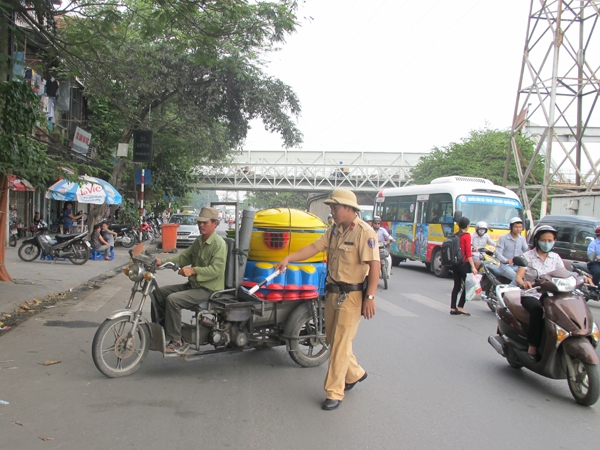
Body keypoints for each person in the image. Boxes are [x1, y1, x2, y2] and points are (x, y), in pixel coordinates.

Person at [275, 189, 379, 411]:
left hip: (352, 296)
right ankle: (355, 373)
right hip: (332, 293)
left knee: (341, 343)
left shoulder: (364, 232)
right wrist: (288, 258)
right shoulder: (334, 230)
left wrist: (370, 297)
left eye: (335, 207)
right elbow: (314, 247)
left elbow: (375, 266)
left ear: (349, 208)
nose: (332, 211)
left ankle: (334, 391)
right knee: (331, 338)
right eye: (331, 207)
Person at [152, 207, 227, 354]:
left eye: (205, 223)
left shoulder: (219, 245)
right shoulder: (199, 241)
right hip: (193, 286)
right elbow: (183, 258)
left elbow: (216, 270)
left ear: (215, 224)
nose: (201, 225)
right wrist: (162, 261)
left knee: (173, 300)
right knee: (158, 294)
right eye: (200, 222)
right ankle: (162, 330)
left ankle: (176, 340)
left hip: (208, 290)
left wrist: (193, 270)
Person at [514, 225, 591, 362]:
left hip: (553, 295)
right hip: (532, 293)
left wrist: (580, 277)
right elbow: (519, 276)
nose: (547, 243)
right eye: (544, 240)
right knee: (538, 311)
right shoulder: (527, 257)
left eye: (550, 240)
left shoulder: (556, 257)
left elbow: (564, 273)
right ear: (537, 240)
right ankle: (533, 346)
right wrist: (524, 283)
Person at [450, 216, 477, 316]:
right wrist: (473, 267)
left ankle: (453, 308)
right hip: (464, 264)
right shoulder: (467, 236)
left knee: (456, 286)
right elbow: (468, 253)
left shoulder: (456, 235)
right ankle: (461, 306)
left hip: (455, 264)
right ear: (467, 225)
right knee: (468, 285)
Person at [492, 217, 528, 282]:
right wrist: (506, 260)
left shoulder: (522, 238)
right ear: (511, 227)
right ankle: (507, 292)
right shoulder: (503, 238)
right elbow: (498, 253)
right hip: (505, 266)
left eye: (520, 227)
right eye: (516, 227)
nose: (518, 229)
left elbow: (526, 251)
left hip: (518, 266)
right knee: (517, 279)